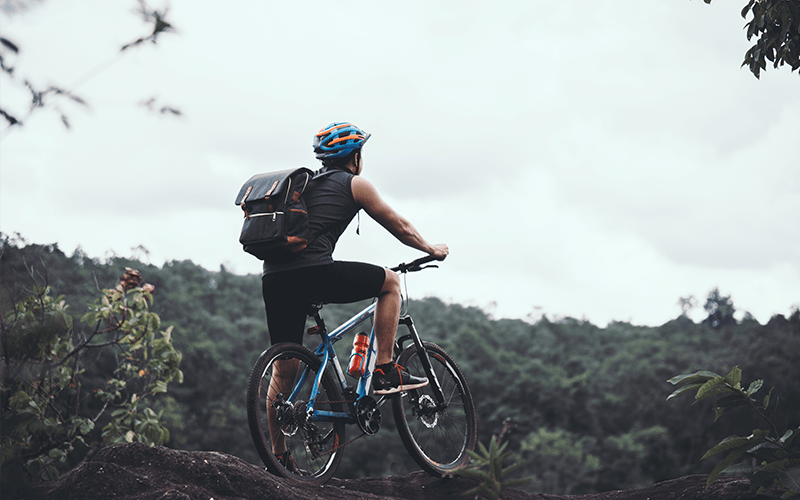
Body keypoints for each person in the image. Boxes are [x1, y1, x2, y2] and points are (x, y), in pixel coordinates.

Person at [261, 122, 449, 397]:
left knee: (282, 369)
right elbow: (399, 226)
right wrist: (430, 249)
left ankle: (272, 442)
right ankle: (384, 369)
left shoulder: (304, 185)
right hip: (313, 272)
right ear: (355, 157)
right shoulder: (355, 184)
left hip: (273, 278)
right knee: (390, 282)